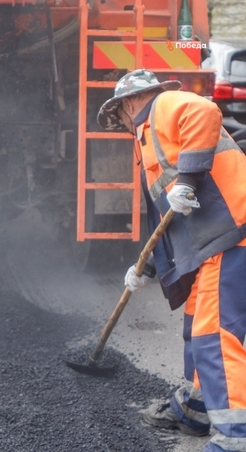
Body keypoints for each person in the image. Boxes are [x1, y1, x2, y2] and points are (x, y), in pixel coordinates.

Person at [98, 69, 246, 452]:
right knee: (197, 326)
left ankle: (235, 436)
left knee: (215, 335)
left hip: (231, 234)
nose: (124, 126)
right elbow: (167, 218)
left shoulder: (163, 105)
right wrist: (145, 266)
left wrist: (189, 179)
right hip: (210, 245)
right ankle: (196, 410)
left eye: (120, 118)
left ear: (130, 103)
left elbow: (204, 111)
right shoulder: (148, 140)